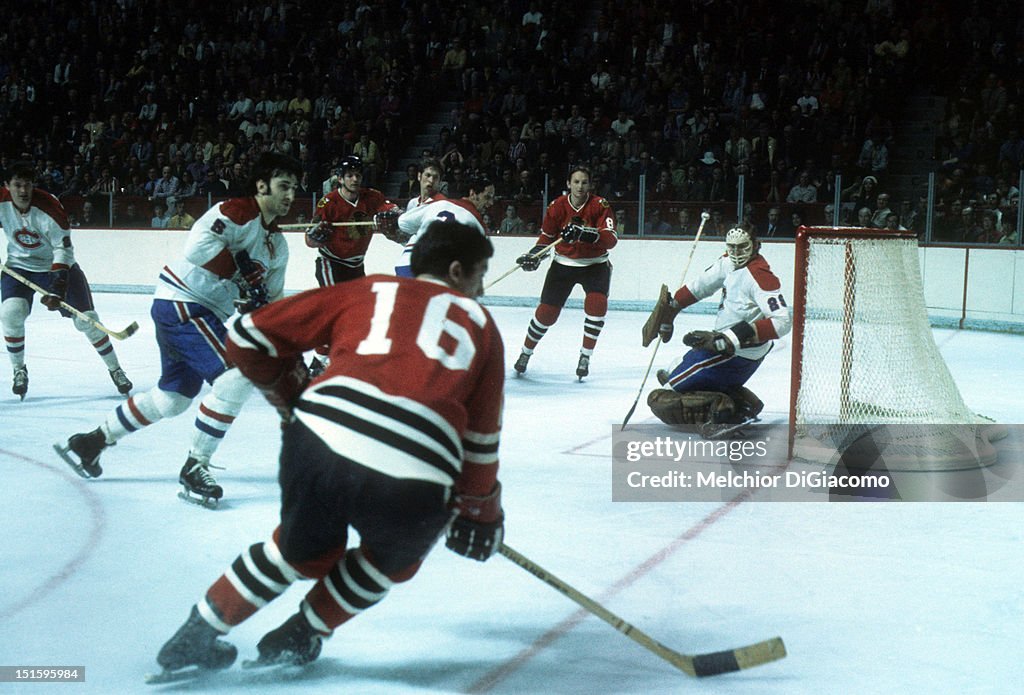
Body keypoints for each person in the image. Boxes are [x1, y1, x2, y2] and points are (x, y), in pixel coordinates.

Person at [152, 221, 504, 677]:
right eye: (479, 274)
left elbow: (244, 336)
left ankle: (195, 635)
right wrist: (481, 513)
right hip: (413, 471)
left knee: (299, 550)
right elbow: (480, 444)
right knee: (393, 556)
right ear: (457, 271)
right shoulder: (482, 326)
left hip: (316, 441)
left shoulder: (367, 289)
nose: (480, 287)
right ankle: (301, 633)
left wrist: (289, 393)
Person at [55, 153, 302, 506]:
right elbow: (197, 247)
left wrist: (265, 316)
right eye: (283, 186)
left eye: (294, 188)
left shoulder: (277, 245)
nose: (290, 195)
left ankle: (91, 442)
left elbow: (272, 301)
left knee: (172, 399)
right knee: (235, 377)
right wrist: (238, 269)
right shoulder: (237, 211)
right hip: (183, 302)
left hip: (201, 311)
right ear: (262, 186)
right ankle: (195, 466)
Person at [641, 224, 791, 438]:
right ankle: (743, 403)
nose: (737, 253)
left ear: (756, 245)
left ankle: (722, 409)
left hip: (738, 351)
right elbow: (699, 286)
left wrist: (729, 339)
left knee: (660, 398)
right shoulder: (727, 262)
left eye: (742, 247)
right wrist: (671, 311)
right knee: (674, 370)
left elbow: (782, 321)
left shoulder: (760, 275)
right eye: (732, 248)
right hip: (727, 347)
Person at [0, 161, 133, 399]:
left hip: (56, 266)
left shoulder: (50, 206)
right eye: (17, 185)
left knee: (87, 322)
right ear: (6, 186)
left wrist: (57, 288)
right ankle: (19, 369)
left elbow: (63, 251)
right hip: (19, 268)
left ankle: (116, 370)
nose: (23, 191)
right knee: (11, 313)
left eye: (27, 185)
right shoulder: (1, 201)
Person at [511, 165, 617, 380]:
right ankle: (525, 352)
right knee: (546, 314)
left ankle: (585, 355)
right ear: (568, 184)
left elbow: (611, 239)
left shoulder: (599, 205)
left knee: (597, 306)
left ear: (590, 185)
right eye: (576, 182)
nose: (580, 186)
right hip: (563, 264)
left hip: (595, 265)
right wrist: (535, 256)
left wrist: (586, 234)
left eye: (584, 182)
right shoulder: (556, 206)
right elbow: (546, 238)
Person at [303, 155, 400, 375]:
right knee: (333, 310)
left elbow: (392, 210)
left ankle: (345, 357)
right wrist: (317, 235)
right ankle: (319, 361)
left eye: (358, 175)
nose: (355, 179)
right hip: (331, 262)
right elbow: (309, 240)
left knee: (359, 313)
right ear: (340, 178)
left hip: (356, 265)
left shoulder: (372, 197)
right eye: (350, 175)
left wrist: (394, 215)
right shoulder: (328, 202)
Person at [394, 175, 495, 277]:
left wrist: (422, 229)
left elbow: (402, 222)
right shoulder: (479, 227)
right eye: (487, 197)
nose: (491, 203)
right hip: (436, 273)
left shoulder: (440, 204)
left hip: (407, 264)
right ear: (472, 193)